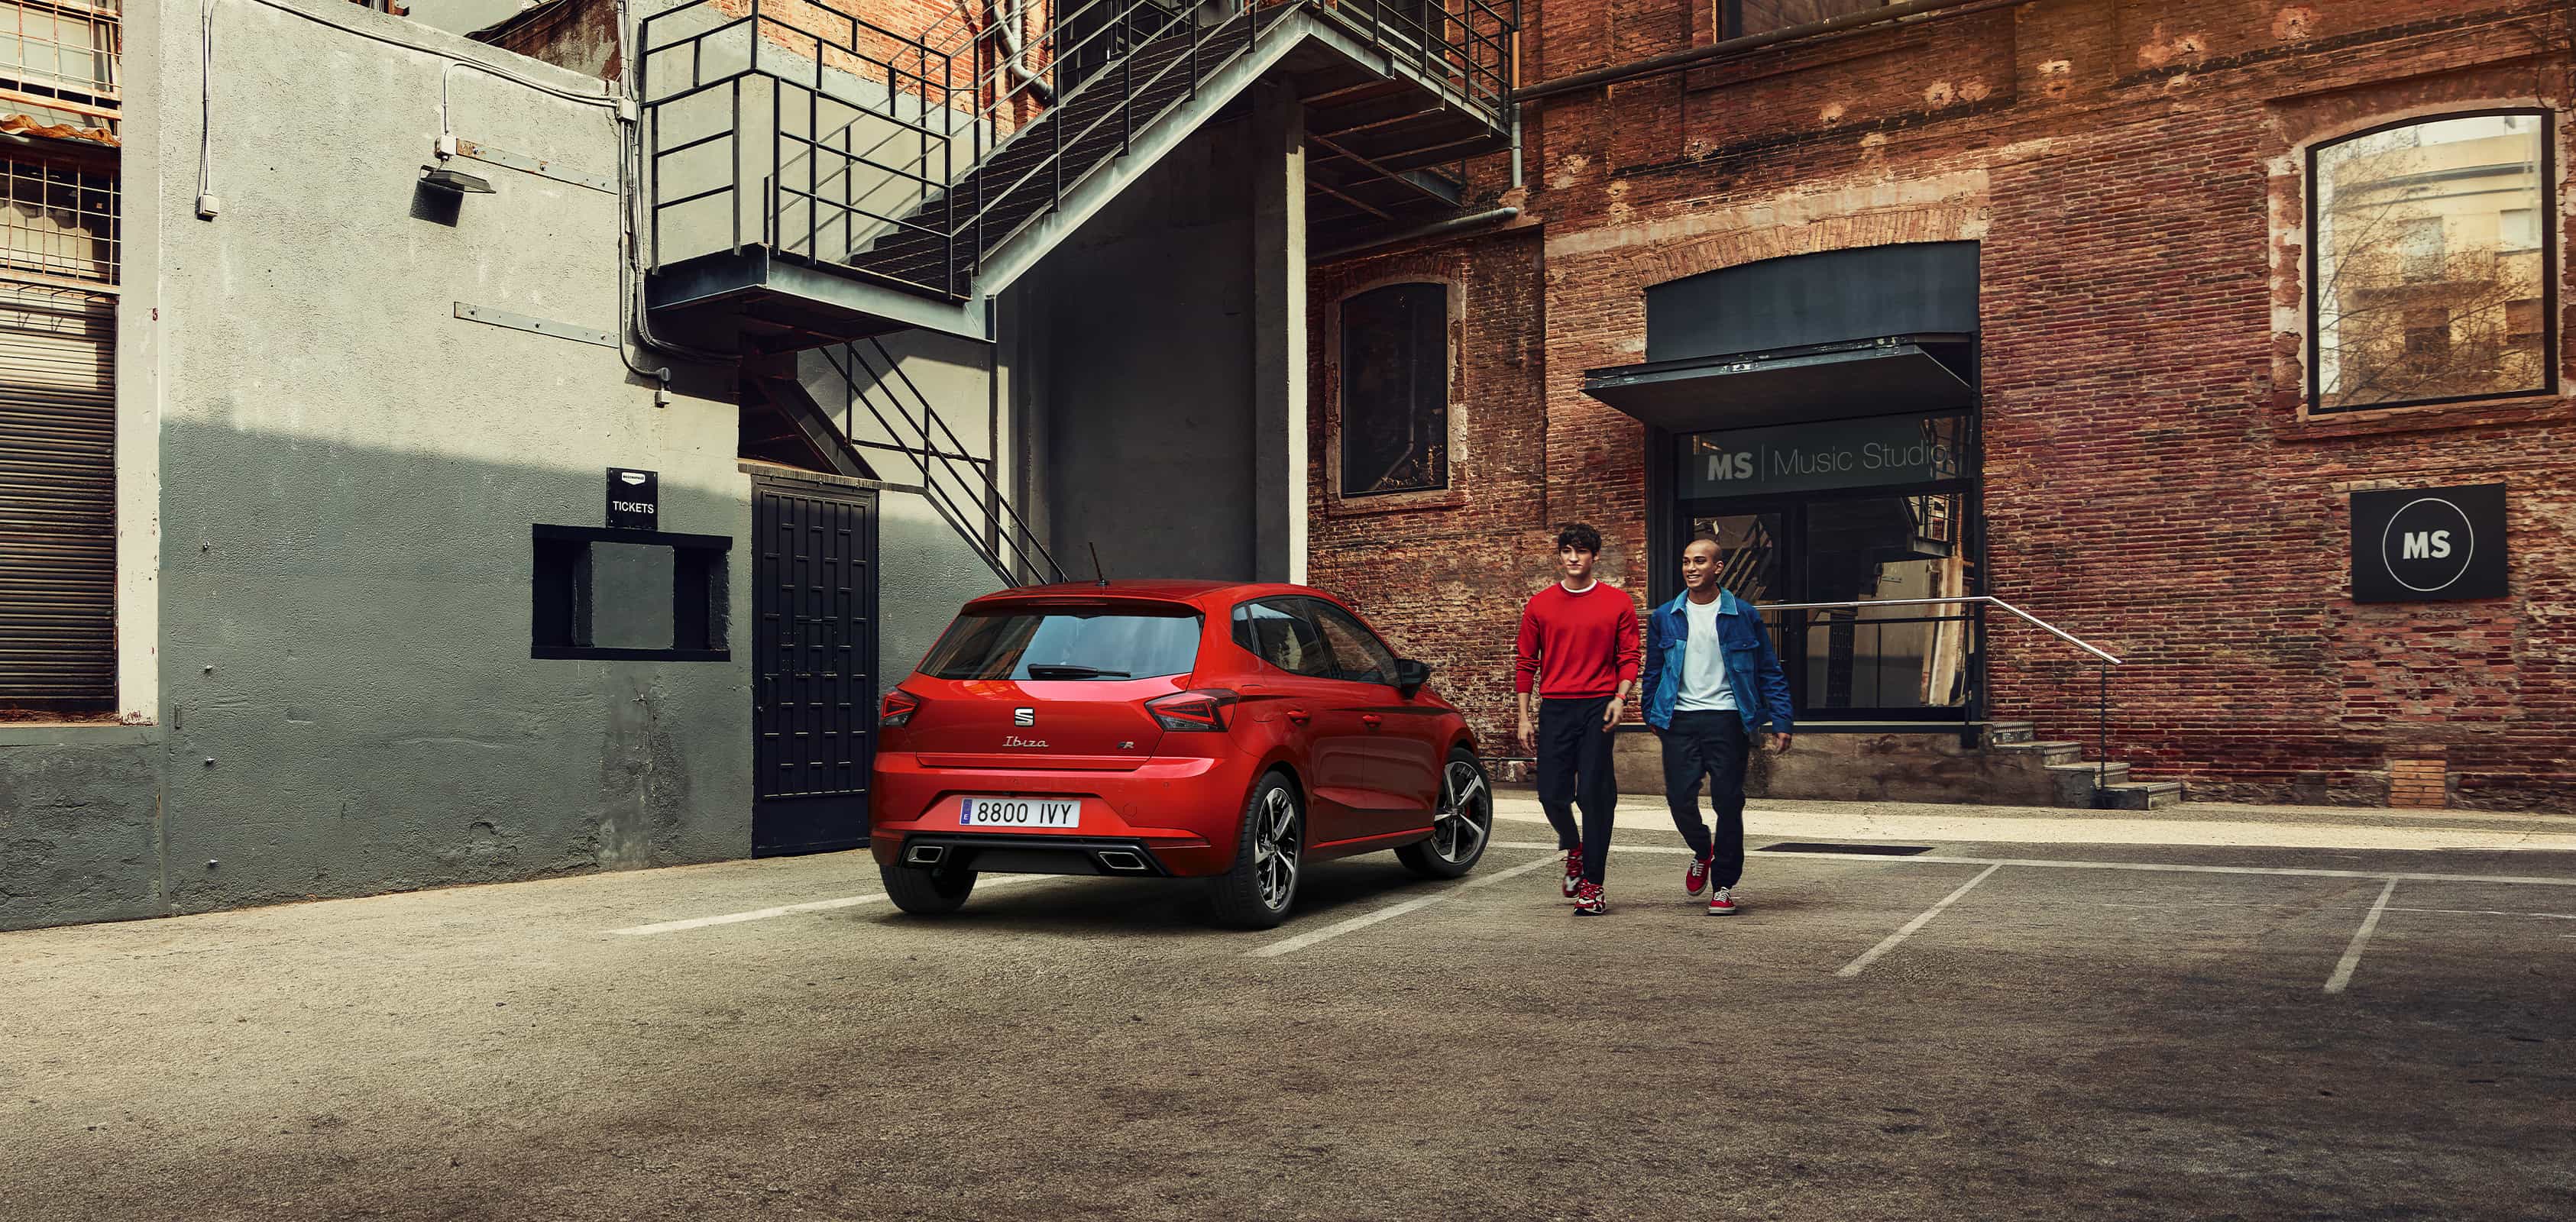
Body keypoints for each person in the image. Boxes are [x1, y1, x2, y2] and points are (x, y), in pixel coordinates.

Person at [1637, 532, 1794, 916]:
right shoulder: (1664, 616)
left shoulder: (1744, 614)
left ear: (1718, 567)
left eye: (1700, 562)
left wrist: (1782, 718)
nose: (1691, 568)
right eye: (1687, 561)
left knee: (1728, 802)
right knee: (1678, 799)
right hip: (1680, 719)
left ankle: (1724, 885)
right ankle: (1701, 848)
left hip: (1727, 719)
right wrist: (1650, 712)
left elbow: (1769, 669)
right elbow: (1654, 670)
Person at [1515, 523, 1641, 917]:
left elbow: (1629, 657)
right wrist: (1523, 716)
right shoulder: (1539, 605)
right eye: (1567, 551)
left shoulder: (1618, 603)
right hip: (1555, 707)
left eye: (1582, 551)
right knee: (1551, 794)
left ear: (1594, 557)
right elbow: (1525, 663)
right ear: (1560, 555)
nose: (1574, 558)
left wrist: (1621, 697)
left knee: (1594, 794)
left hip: (1599, 706)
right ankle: (1574, 845)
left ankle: (1593, 885)